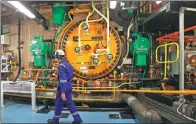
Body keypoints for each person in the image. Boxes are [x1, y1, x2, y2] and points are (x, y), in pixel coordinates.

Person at [48, 49, 83, 124]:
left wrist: (63, 92)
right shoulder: (68, 64)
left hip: (63, 87)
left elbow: (63, 79)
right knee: (69, 103)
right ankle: (78, 119)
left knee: (58, 103)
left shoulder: (61, 66)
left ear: (58, 57)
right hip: (69, 85)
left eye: (56, 57)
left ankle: (55, 121)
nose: (56, 59)